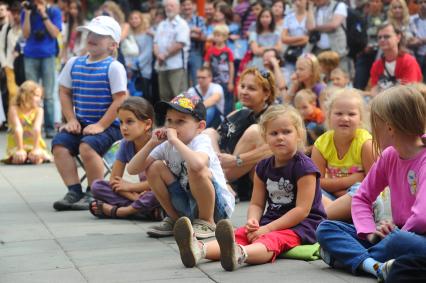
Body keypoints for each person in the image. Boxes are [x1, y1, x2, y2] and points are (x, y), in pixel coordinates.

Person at [173, 104, 327, 271]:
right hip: (272, 221)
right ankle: (199, 250)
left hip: (303, 226)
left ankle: (239, 254)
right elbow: (256, 204)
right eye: (274, 133)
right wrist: (252, 221)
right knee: (240, 234)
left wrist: (268, 228)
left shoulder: (305, 167)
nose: (280, 137)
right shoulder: (263, 166)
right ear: (265, 137)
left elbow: (302, 210)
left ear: (299, 134)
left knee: (272, 239)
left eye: (286, 132)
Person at [316, 85, 426, 282]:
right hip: (391, 235)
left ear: (390, 127)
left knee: (400, 241)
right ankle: (375, 266)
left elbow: (421, 218)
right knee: (326, 229)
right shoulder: (389, 156)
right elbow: (362, 197)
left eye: (376, 124)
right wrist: (370, 234)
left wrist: (393, 235)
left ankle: (349, 258)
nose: (372, 131)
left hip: (415, 237)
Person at [127, 94, 235, 239]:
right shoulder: (166, 146)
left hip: (217, 209)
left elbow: (197, 164)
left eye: (180, 122)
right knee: (154, 167)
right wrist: (151, 143)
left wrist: (174, 140)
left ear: (200, 126)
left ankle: (207, 222)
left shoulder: (201, 140)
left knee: (195, 168)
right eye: (169, 120)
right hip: (188, 203)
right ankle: (176, 220)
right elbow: (132, 169)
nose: (172, 126)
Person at [52, 16, 127, 211]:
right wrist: (71, 119)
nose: (92, 37)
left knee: (87, 146)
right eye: (91, 33)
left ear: (112, 45)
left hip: (109, 126)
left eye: (100, 35)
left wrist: (101, 125)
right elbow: (64, 91)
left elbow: (120, 99)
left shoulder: (114, 67)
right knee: (59, 144)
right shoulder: (74, 63)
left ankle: (95, 192)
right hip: (81, 122)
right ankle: (74, 190)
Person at [203, 68, 276, 201]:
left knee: (255, 130)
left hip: (248, 177)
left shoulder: (274, 116)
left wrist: (236, 159)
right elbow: (216, 138)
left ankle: (220, 183)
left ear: (266, 94)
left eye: (251, 88)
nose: (244, 91)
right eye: (242, 86)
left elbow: (274, 148)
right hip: (225, 170)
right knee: (209, 132)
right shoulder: (239, 112)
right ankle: (221, 183)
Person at [89, 97, 162, 220]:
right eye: (121, 122)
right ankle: (145, 211)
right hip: (141, 194)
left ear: (147, 124)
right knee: (97, 186)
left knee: (155, 195)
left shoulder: (158, 143)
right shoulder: (126, 144)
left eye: (129, 122)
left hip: (157, 190)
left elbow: (161, 183)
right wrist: (135, 197)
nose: (123, 127)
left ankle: (119, 211)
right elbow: (114, 180)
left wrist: (131, 187)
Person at [311, 89, 374, 221]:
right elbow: (316, 182)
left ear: (361, 119)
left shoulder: (366, 144)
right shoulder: (321, 145)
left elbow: (374, 184)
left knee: (359, 189)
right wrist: (348, 183)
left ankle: (324, 217)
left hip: (358, 197)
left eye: (351, 114)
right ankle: (338, 214)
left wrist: (345, 192)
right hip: (334, 196)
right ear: (328, 117)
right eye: (338, 113)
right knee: (312, 191)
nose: (345, 118)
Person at [21, 0, 62, 138]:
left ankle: (50, 129)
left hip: (48, 56)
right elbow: (25, 34)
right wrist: (27, 14)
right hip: (30, 55)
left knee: (49, 95)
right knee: (30, 93)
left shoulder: (53, 11)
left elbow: (55, 33)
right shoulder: (27, 10)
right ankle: (31, 127)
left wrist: (43, 14)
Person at [2, 80, 52, 164]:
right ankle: (23, 155)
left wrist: (36, 148)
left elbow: (37, 128)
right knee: (19, 159)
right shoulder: (14, 109)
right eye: (36, 95)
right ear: (26, 96)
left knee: (36, 159)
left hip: (34, 143)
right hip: (17, 144)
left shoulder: (39, 110)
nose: (39, 99)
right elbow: (18, 129)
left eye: (40, 96)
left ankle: (34, 154)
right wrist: (20, 149)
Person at [370, 23, 422, 95]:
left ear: (398, 38)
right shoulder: (376, 65)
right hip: (383, 104)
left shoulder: (409, 62)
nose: (382, 40)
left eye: (386, 36)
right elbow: (374, 92)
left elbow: (410, 92)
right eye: (379, 37)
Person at [153, 0, 190, 102]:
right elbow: (155, 43)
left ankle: (182, 118)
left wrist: (163, 55)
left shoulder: (182, 24)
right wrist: (158, 56)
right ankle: (167, 118)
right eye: (167, 6)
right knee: (164, 97)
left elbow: (180, 44)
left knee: (179, 97)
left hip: (176, 66)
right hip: (162, 66)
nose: (169, 8)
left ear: (178, 8)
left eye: (172, 6)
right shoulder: (161, 24)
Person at [204, 24, 235, 116]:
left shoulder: (228, 51)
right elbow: (206, 64)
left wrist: (231, 82)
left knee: (228, 102)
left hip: (225, 81)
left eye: (219, 35)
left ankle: (227, 118)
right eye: (215, 35)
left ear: (225, 37)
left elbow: (231, 66)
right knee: (215, 101)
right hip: (214, 81)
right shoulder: (210, 50)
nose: (216, 38)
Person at [281, 0, 309, 85]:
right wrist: (302, 38)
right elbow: (283, 38)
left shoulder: (311, 16)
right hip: (291, 53)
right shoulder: (289, 17)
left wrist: (291, 40)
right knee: (289, 79)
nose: (298, 2)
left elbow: (308, 39)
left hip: (307, 52)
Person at [181, 0, 206, 86]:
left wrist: (185, 33)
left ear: (193, 6)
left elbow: (203, 37)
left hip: (195, 53)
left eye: (189, 4)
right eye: (184, 5)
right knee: (183, 84)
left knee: (198, 81)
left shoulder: (199, 20)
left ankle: (199, 100)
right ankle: (187, 100)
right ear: (181, 7)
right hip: (181, 54)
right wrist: (192, 30)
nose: (187, 7)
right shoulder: (179, 21)